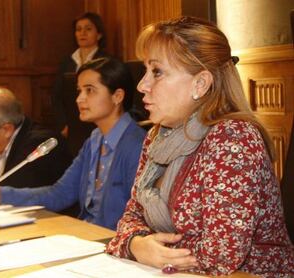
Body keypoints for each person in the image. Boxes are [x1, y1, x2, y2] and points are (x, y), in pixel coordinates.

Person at [106, 16, 294, 277]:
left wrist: (147, 248)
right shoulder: (157, 136)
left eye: (157, 72)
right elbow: (131, 216)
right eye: (145, 71)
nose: (142, 85)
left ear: (200, 83)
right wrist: (137, 244)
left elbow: (222, 255)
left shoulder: (233, 139)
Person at [0, 58, 146, 230]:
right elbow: (60, 193)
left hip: (117, 244)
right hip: (89, 236)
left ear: (117, 96)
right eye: (79, 91)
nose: (79, 99)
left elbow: (139, 215)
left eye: (90, 91)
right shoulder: (95, 140)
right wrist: (0, 194)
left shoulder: (137, 144)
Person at [52, 12, 111, 156]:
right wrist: (63, 124)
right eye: (78, 29)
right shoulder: (67, 62)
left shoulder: (106, 61)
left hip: (96, 123)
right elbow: (56, 95)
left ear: (99, 34)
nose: (82, 33)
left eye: (88, 29)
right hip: (72, 126)